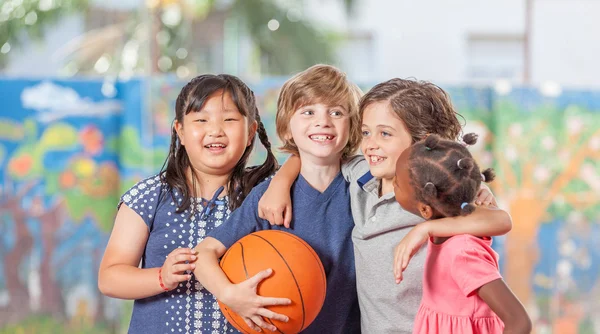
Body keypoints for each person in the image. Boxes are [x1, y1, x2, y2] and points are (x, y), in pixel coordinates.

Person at [259, 78, 513, 333]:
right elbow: (315, 152)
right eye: (366, 132)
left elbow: (501, 220)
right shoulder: (361, 173)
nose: (370, 145)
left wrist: (424, 230)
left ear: (423, 143)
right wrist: (280, 181)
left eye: (385, 134)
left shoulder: (434, 199)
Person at [98, 74, 278, 333]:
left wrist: (284, 181)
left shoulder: (265, 194)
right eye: (201, 120)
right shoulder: (148, 196)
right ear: (180, 131)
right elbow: (109, 278)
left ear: (251, 132)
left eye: (229, 119)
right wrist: (161, 277)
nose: (215, 130)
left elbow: (306, 166)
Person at [192, 64, 363, 333]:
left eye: (336, 112)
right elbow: (202, 254)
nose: (323, 121)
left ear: (352, 124)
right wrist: (229, 294)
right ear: (286, 127)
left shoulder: (364, 185)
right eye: (308, 112)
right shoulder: (268, 196)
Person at [393, 133, 531, 334]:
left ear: (425, 209)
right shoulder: (442, 234)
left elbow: (519, 322)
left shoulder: (462, 252)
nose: (393, 184)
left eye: (397, 182)